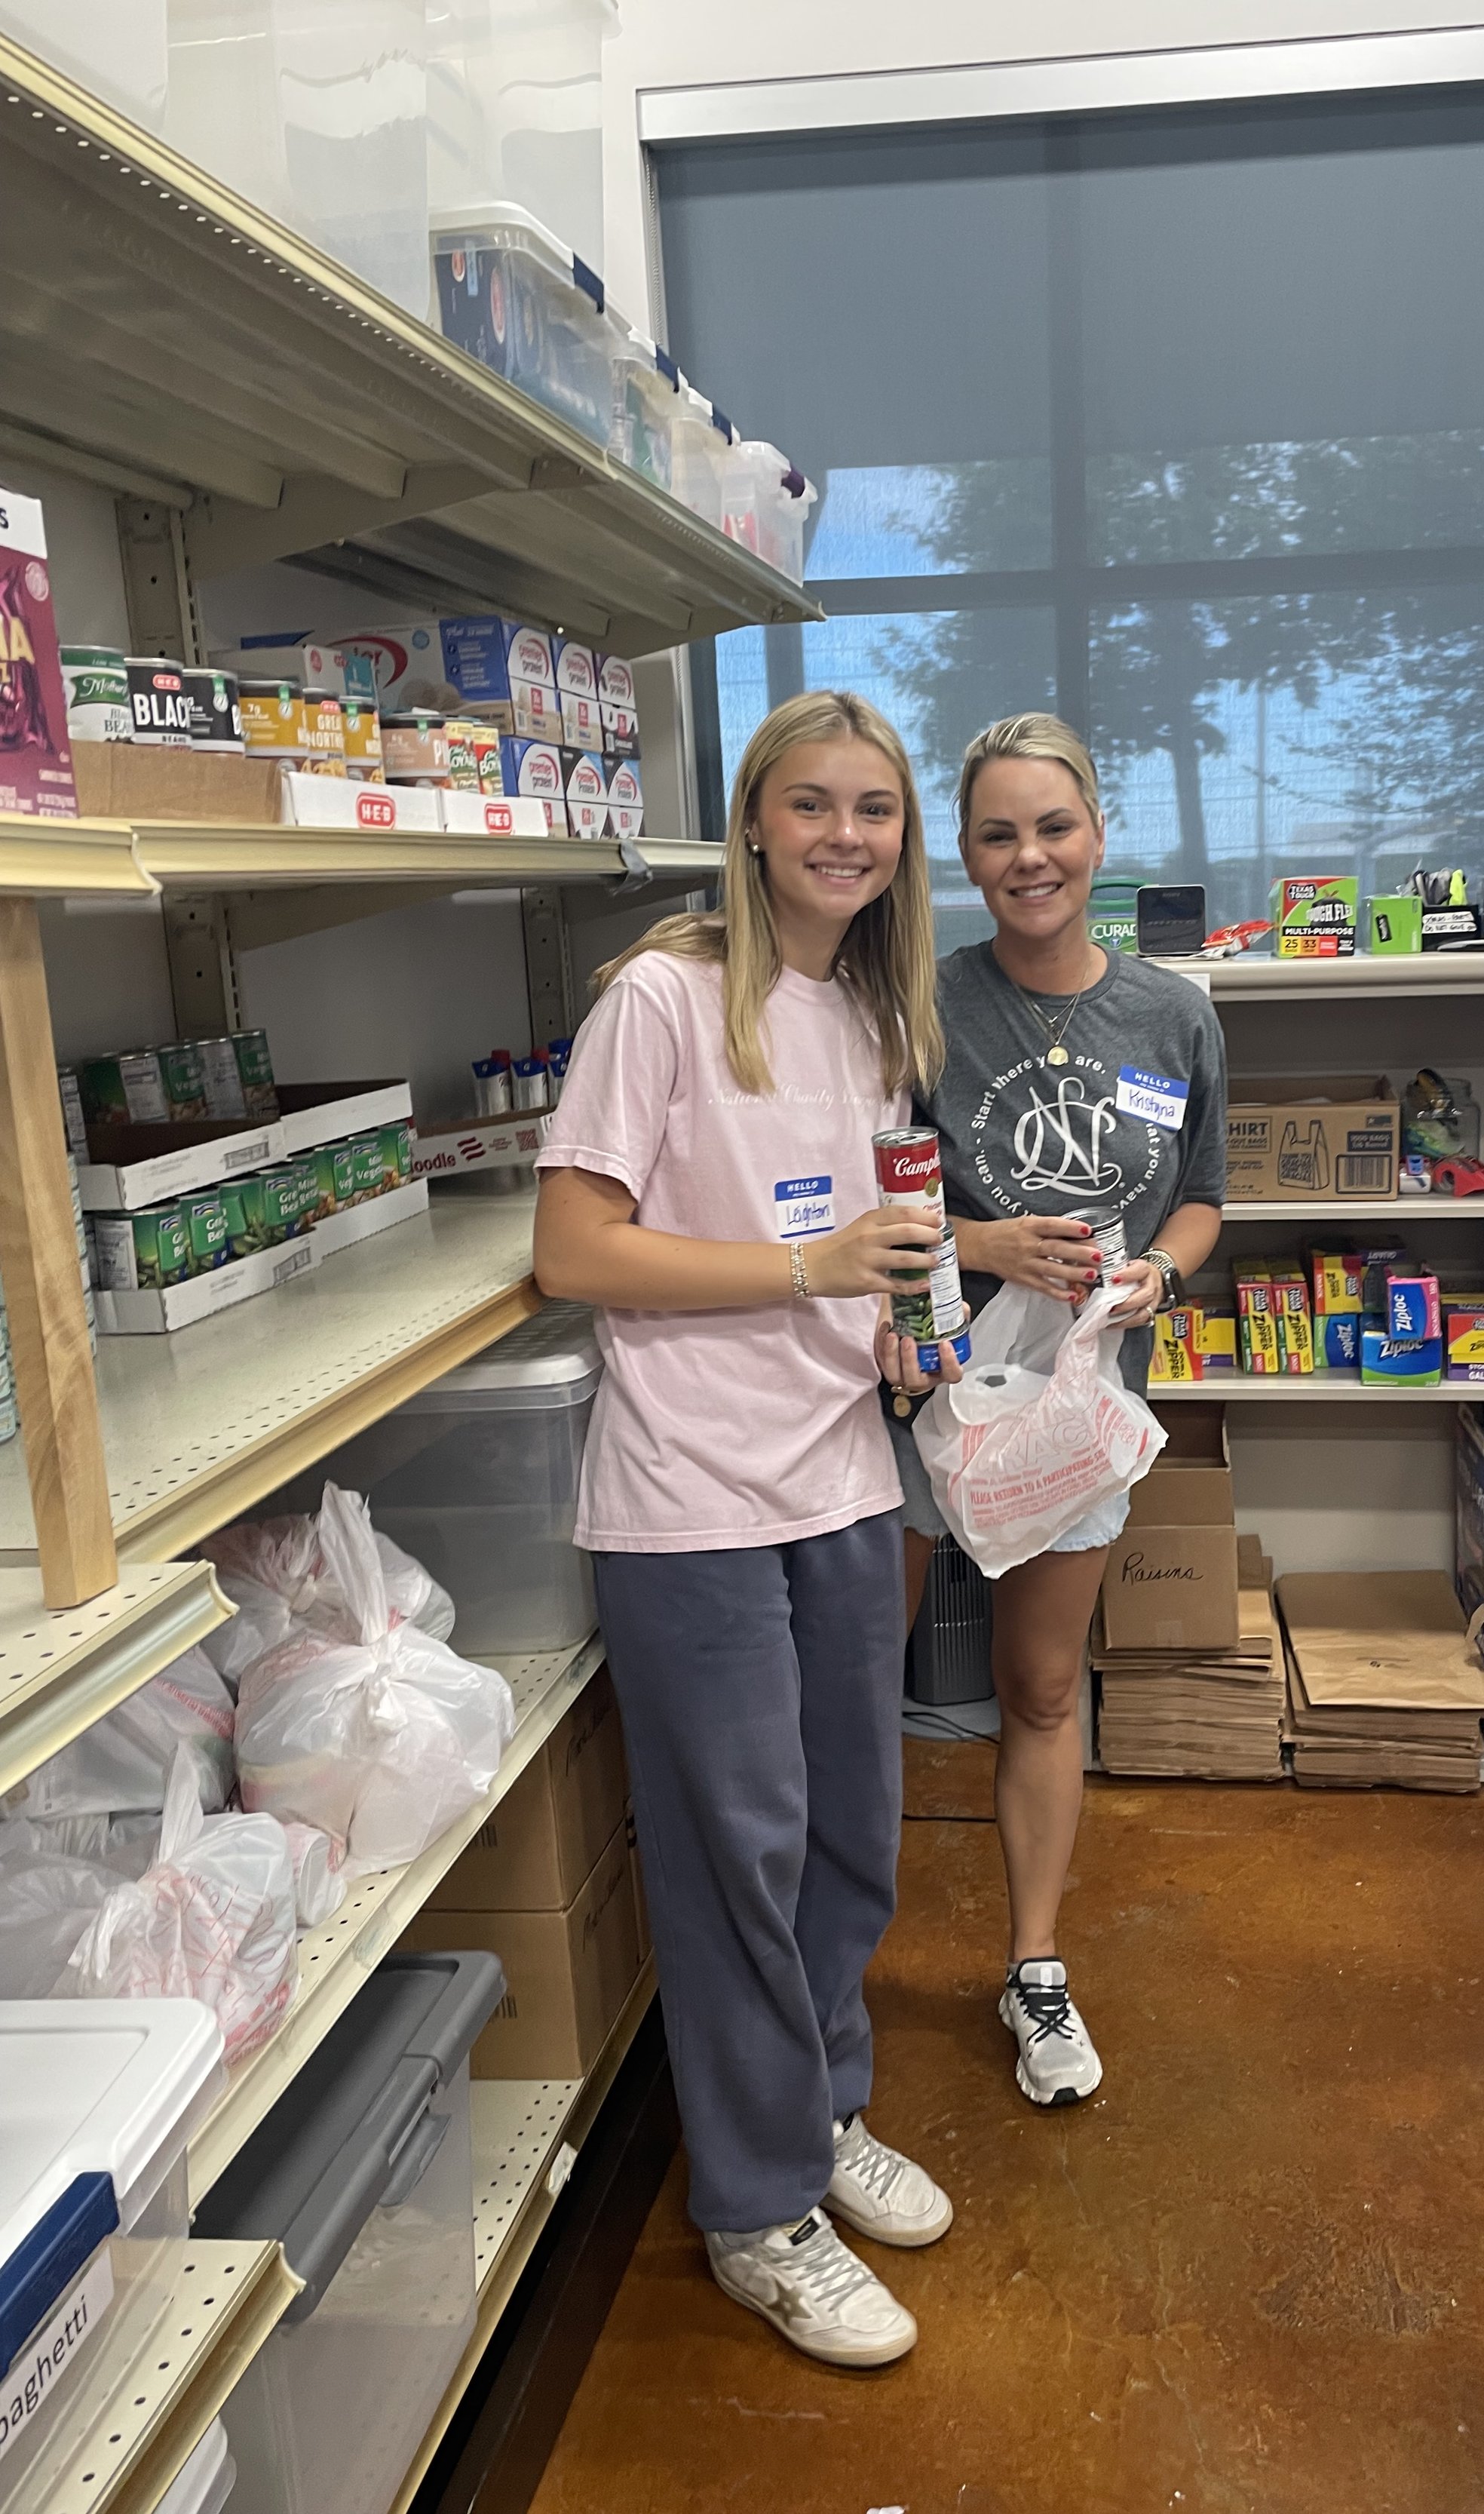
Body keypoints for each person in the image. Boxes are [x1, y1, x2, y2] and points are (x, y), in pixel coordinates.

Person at [533, 689, 959, 2371]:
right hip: (691, 1502)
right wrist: (808, 1267)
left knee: (852, 1828)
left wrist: (900, 1324)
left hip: (842, 1474)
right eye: (812, 804)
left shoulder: (865, 1007)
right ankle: (754, 2203)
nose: (845, 833)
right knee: (737, 1856)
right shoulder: (660, 995)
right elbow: (576, 1249)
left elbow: (865, 1236)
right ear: (755, 821)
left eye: (874, 806)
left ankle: (823, 2108)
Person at [891, 713, 1227, 2108]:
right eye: (996, 833)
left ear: (1098, 833)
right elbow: (880, 1187)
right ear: (964, 853)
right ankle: (828, 1973)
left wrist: (1163, 1265)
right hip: (931, 1396)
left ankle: (1035, 1969)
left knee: (1038, 1686)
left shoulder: (1174, 1011)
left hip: (1083, 1409)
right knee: (860, 1692)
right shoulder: (919, 998)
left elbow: (1204, 1197)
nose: (1029, 858)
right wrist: (983, 1246)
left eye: (1053, 827)